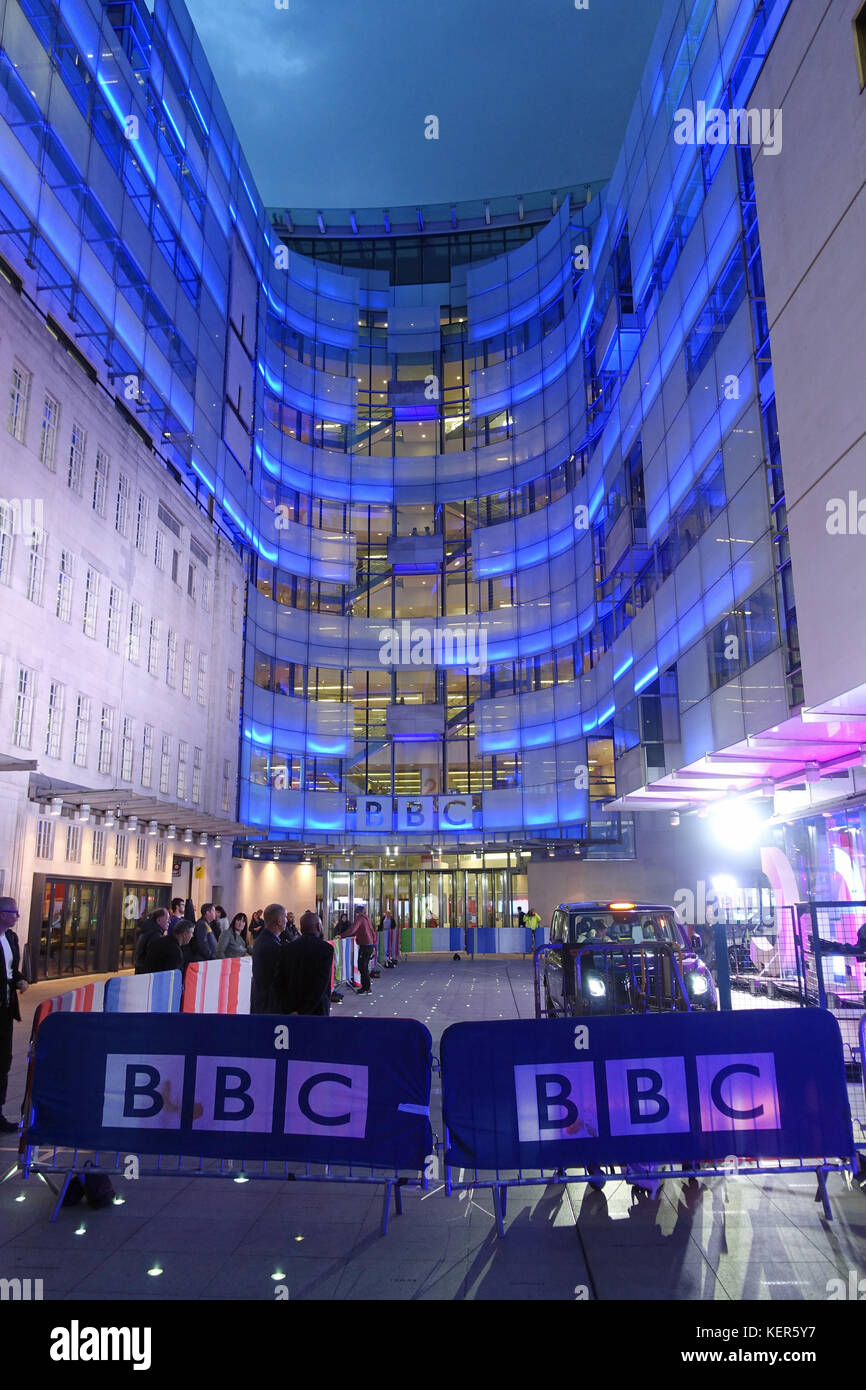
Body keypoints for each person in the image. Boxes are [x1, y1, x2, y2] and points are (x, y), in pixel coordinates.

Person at [271, 910, 334, 1016]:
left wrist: (289, 1009)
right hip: (317, 1011)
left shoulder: (286, 949)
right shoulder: (326, 949)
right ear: (318, 927)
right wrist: (303, 1012)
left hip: (291, 1009)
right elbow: (320, 985)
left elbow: (278, 982)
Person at [0, 897, 28, 1133]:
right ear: (1, 914)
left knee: (4, 1059)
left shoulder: (11, 938)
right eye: (14, 912)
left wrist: (19, 979)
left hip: (6, 1007)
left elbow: (11, 969)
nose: (17, 916)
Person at [251, 903, 287, 1013]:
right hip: (268, 1005)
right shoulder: (270, 945)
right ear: (279, 920)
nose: (286, 920)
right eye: (285, 917)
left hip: (262, 1001)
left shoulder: (263, 940)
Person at [341, 903, 377, 996]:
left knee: (362, 966)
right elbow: (372, 931)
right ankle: (366, 987)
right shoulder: (366, 919)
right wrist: (374, 944)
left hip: (365, 945)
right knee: (363, 966)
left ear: (357, 913)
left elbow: (353, 929)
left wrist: (341, 935)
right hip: (369, 944)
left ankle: (366, 988)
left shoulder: (360, 918)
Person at [134, 908, 169, 974]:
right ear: (158, 920)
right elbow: (155, 958)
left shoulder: (148, 930)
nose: (169, 921)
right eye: (167, 919)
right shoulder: (155, 936)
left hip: (141, 970)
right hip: (148, 974)